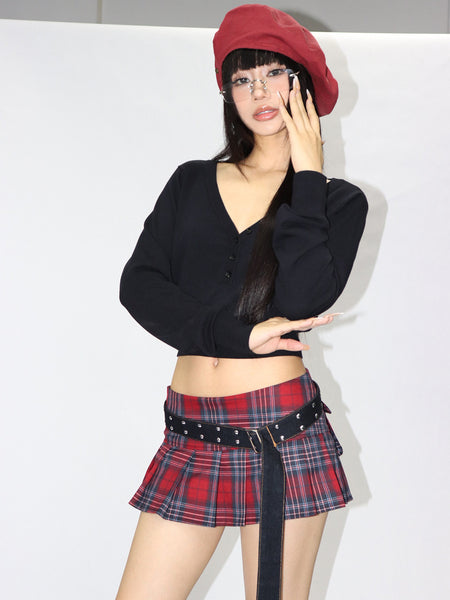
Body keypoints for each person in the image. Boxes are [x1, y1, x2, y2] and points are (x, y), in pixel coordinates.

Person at [116, 4, 368, 600]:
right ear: (227, 94)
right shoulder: (191, 182)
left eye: (274, 73)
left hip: (279, 435)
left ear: (302, 84)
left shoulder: (337, 202)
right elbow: (139, 285)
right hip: (190, 434)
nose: (258, 91)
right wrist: (236, 335)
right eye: (242, 78)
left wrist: (308, 176)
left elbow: (304, 298)